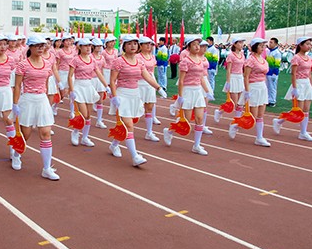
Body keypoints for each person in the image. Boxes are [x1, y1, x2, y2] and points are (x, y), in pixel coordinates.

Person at [109, 35, 166, 166]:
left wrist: (159, 88)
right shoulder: (119, 61)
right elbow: (112, 80)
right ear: (124, 46)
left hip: (135, 94)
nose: (133, 46)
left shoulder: (140, 62)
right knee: (129, 125)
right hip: (123, 94)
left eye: (135, 43)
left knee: (131, 122)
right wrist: (115, 96)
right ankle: (135, 156)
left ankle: (114, 144)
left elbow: (147, 76)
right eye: (129, 44)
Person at [13, 35, 60, 179]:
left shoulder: (47, 63)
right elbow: (18, 85)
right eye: (37, 46)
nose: (41, 48)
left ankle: (46, 168)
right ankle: (16, 154)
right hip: (27, 99)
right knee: (25, 134)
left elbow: (46, 81)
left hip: (42, 100)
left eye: (42, 45)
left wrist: (46, 96)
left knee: (46, 133)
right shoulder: (23, 64)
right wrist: (15, 104)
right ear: (30, 47)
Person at [163, 35, 209, 154]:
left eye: (198, 44)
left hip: (198, 90)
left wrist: (208, 91)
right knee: (186, 120)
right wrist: (181, 96)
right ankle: (169, 131)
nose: (197, 47)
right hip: (188, 90)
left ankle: (197, 145)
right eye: (194, 45)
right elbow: (181, 80)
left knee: (199, 118)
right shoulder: (185, 61)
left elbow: (201, 77)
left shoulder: (200, 60)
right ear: (188, 47)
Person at [273, 36, 312, 142]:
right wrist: (295, 88)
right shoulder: (296, 57)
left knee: (306, 110)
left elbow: (309, 73)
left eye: (310, 44)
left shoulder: (309, 58)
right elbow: (293, 74)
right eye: (307, 44)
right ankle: (279, 121)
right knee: (298, 111)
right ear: (300, 45)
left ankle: (303, 132)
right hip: (299, 83)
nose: (309, 46)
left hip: (306, 84)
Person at [68, 38, 109, 147]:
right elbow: (70, 75)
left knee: (88, 115)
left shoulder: (92, 60)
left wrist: (106, 86)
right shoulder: (75, 60)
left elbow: (99, 73)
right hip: (79, 86)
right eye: (85, 46)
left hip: (89, 86)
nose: (88, 48)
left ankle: (85, 137)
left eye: (89, 46)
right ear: (80, 47)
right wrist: (71, 90)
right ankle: (76, 132)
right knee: (83, 114)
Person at [240, 37, 271, 146]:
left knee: (260, 115)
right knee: (252, 115)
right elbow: (246, 76)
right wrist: (247, 91)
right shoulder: (250, 60)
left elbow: (265, 75)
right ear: (254, 47)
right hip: (253, 87)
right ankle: (236, 125)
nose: (263, 48)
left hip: (262, 87)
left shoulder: (264, 60)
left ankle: (259, 137)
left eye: (264, 46)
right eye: (260, 46)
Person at [215, 37, 246, 123]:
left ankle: (237, 120)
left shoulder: (242, 55)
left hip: (240, 78)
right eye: (239, 42)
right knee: (234, 103)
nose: (241, 44)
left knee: (240, 102)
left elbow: (243, 68)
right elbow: (228, 70)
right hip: (233, 78)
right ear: (235, 44)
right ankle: (220, 111)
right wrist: (228, 82)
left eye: (242, 43)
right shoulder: (231, 55)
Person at [265, 37, 281, 106]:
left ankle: (272, 101)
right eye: (269, 42)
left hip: (273, 73)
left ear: (276, 44)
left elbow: (277, 64)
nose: (270, 44)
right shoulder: (269, 51)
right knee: (268, 86)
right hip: (268, 72)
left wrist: (275, 73)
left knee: (272, 87)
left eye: (271, 42)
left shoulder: (277, 53)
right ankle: (268, 99)